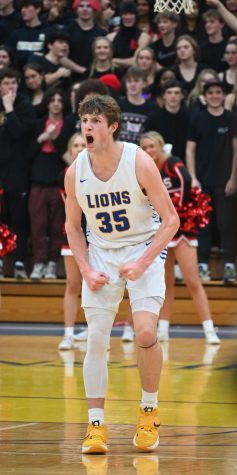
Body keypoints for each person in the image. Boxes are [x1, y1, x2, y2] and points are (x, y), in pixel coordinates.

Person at [64, 94, 179, 454]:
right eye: (85, 120)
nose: (88, 127)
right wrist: (86, 268)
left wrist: (142, 263)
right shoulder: (75, 171)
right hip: (101, 252)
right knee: (96, 338)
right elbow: (71, 227)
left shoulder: (139, 161)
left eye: (96, 120)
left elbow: (171, 220)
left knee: (145, 332)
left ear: (113, 126)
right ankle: (96, 425)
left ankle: (148, 411)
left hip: (143, 246)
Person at [140, 131, 220, 345]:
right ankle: (163, 330)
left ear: (160, 145)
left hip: (181, 226)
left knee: (192, 281)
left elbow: (185, 180)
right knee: (165, 282)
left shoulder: (172, 162)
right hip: (161, 230)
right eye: (145, 147)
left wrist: (180, 212)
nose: (149, 151)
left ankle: (209, 330)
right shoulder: (146, 169)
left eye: (152, 146)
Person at [186, 78, 237, 283]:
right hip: (202, 181)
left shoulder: (231, 118)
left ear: (224, 95)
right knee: (202, 225)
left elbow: (236, 149)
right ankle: (203, 266)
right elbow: (190, 149)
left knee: (227, 225)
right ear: (205, 96)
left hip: (226, 182)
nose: (214, 96)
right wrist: (193, 178)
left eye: (218, 92)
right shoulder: (197, 118)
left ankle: (230, 267)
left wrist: (233, 178)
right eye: (210, 93)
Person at [0, 67, 36, 279]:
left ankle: (20, 260)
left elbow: (20, 132)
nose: (10, 87)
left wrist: (9, 109)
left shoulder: (24, 105)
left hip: (18, 170)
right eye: (5, 83)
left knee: (19, 218)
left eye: (13, 83)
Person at [28, 87, 66, 279]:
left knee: (56, 226)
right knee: (38, 225)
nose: (56, 103)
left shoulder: (68, 125)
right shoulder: (38, 123)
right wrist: (41, 138)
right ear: (48, 103)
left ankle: (52, 263)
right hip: (38, 181)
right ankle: (39, 262)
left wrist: (54, 139)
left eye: (60, 100)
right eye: (53, 100)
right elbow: (27, 154)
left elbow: (67, 155)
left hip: (58, 181)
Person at [58, 132, 86, 350]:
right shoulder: (65, 175)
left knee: (97, 287)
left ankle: (94, 334)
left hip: (97, 237)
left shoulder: (100, 172)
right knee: (73, 285)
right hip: (73, 235)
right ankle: (68, 334)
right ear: (69, 151)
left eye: (82, 144)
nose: (78, 148)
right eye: (74, 145)